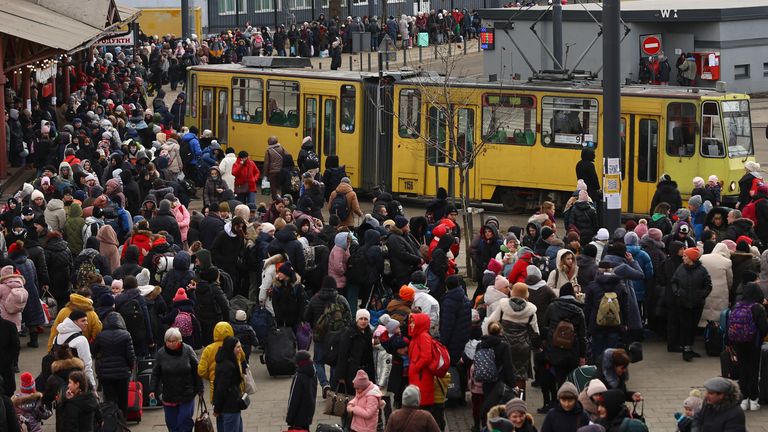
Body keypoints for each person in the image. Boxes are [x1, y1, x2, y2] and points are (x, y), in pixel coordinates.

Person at [150, 328, 204, 432]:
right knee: (172, 424)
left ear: (179, 340)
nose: (171, 344)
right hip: (169, 394)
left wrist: (200, 388)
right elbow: (155, 373)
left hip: (186, 394)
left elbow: (197, 371)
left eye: (173, 341)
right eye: (168, 341)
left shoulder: (188, 350)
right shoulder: (161, 353)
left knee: (184, 421)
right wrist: (152, 389)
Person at [304, 276, 352, 393]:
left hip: (320, 336)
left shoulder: (315, 299)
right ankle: (333, 386)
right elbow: (349, 316)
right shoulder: (341, 299)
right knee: (335, 362)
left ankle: (325, 384)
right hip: (337, 336)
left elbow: (306, 317)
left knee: (318, 361)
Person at [726, 282, 768, 411]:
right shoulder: (758, 308)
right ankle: (754, 400)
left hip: (739, 343)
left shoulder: (736, 306)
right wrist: (760, 337)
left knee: (743, 369)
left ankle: (743, 400)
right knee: (754, 370)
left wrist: (729, 343)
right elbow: (763, 328)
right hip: (754, 344)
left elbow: (729, 326)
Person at [669, 248, 713, 361]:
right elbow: (674, 281)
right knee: (685, 326)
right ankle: (686, 349)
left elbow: (708, 285)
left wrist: (701, 295)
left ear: (692, 258)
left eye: (685, 256)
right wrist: (677, 292)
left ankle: (689, 347)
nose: (683, 257)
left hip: (697, 303)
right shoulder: (680, 268)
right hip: (682, 302)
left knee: (693, 326)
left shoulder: (702, 270)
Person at [91, 312, 136, 416]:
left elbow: (93, 350)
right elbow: (130, 355)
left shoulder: (101, 336)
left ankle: (112, 420)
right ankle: (122, 421)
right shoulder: (126, 335)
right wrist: (130, 367)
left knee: (110, 400)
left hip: (105, 373)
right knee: (123, 399)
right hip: (122, 373)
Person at [52, 310, 96, 388]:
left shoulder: (56, 337)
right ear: (74, 322)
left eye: (86, 320)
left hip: (57, 381)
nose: (86, 323)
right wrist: (92, 386)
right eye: (83, 321)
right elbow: (87, 365)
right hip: (75, 382)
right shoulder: (81, 340)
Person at [337, 310, 375, 394]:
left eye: (365, 319)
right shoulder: (349, 333)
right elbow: (342, 355)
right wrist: (341, 375)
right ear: (357, 320)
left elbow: (369, 355)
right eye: (361, 319)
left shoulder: (368, 333)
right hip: (351, 371)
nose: (363, 321)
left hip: (365, 371)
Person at [213, 336, 245, 432]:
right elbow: (221, 389)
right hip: (229, 407)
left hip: (231, 406)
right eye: (238, 347)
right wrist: (217, 409)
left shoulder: (228, 360)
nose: (240, 350)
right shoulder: (226, 365)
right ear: (231, 348)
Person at [286, 350, 317, 430]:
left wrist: (289, 417)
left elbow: (293, 399)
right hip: (308, 414)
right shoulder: (313, 374)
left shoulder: (298, 377)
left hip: (298, 416)